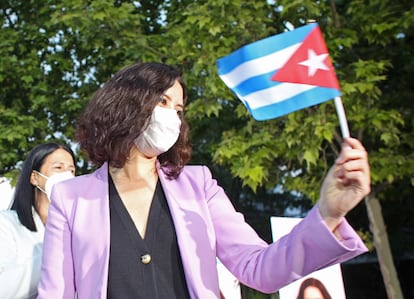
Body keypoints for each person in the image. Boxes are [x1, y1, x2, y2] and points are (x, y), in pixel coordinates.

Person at [37, 62, 371, 299]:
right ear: (124, 106)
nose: (172, 116)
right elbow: (57, 293)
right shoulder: (71, 197)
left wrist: (328, 213)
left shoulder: (199, 185)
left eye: (179, 109)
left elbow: (260, 268)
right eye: (163, 102)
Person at [0, 143, 76, 299]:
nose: (67, 175)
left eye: (72, 170)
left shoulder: (78, 227)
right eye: (58, 168)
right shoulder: (6, 224)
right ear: (35, 177)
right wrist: (56, 254)